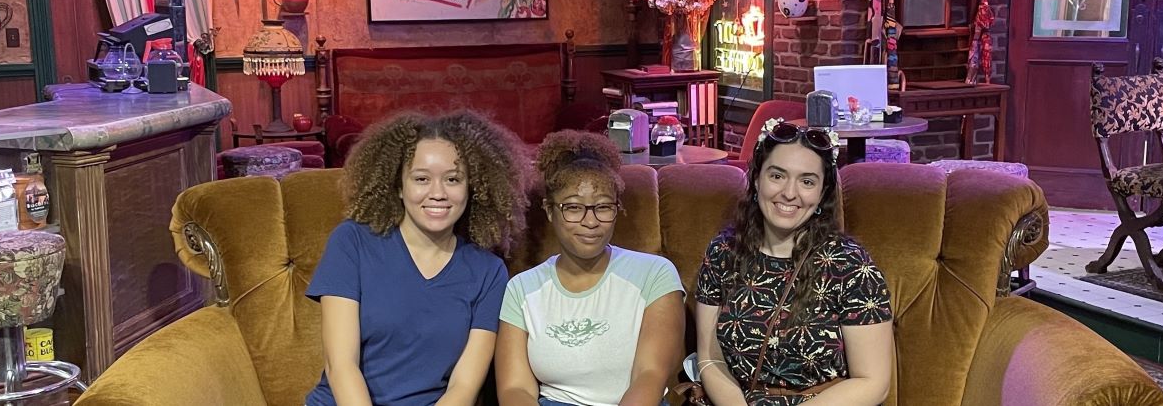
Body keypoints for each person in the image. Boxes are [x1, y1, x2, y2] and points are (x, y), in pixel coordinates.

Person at [305, 111, 531, 406]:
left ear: (471, 187)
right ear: (399, 186)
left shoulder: (488, 272)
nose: (437, 193)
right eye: (421, 179)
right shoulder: (352, 242)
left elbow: (463, 388)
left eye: (452, 179)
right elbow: (341, 366)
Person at [693, 118, 895, 406]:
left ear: (823, 193)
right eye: (777, 176)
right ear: (756, 179)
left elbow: (872, 382)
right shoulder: (723, 253)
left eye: (807, 181)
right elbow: (711, 358)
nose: (789, 193)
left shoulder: (851, 266)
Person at [496, 131, 685, 406]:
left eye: (603, 207)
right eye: (573, 208)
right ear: (550, 211)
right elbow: (516, 390)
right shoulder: (522, 289)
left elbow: (650, 375)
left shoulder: (655, 274)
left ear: (617, 209)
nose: (590, 221)